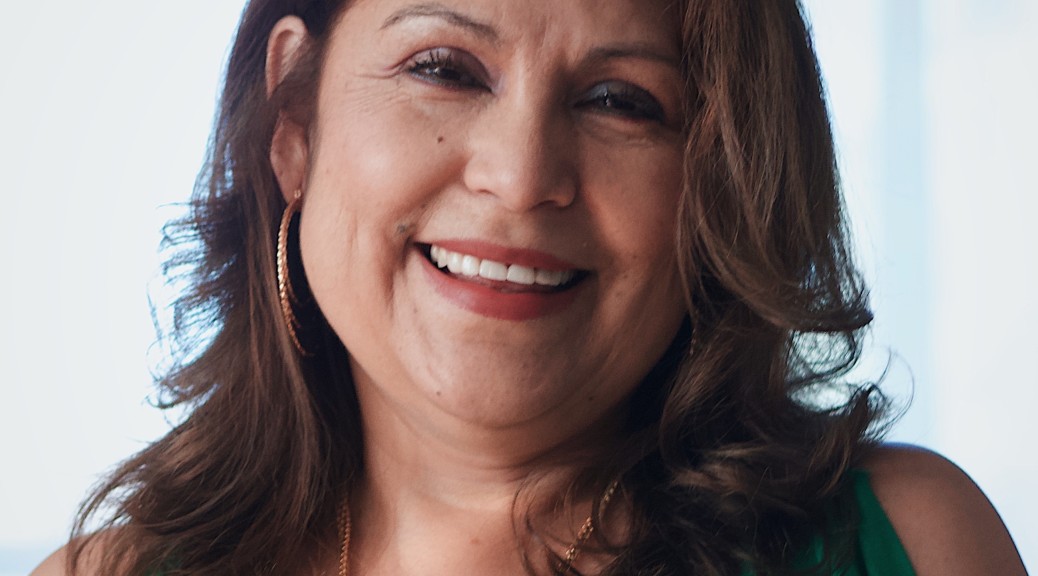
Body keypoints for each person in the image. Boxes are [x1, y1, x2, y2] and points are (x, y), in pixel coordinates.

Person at [33, 0, 1026, 575]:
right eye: (444, 69)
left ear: (721, 182)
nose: (519, 176)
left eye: (620, 100)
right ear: (294, 120)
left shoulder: (911, 545)